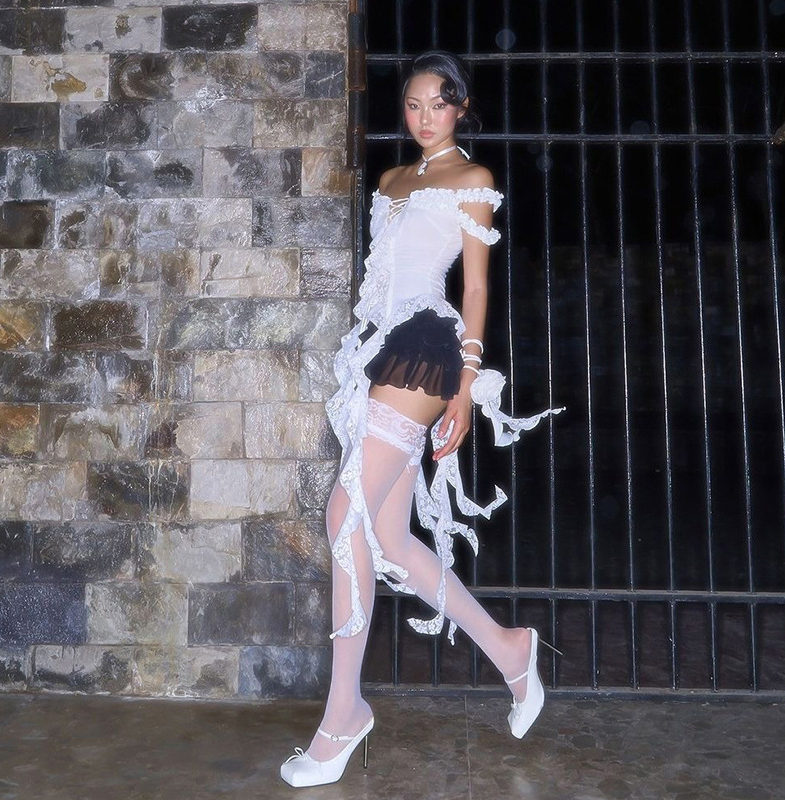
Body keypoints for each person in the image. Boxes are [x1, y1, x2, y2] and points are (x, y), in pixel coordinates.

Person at [280, 51, 564, 788]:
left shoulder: (473, 180)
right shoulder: (391, 181)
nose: (424, 116)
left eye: (439, 103)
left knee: (344, 513)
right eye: (413, 104)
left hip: (430, 345)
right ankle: (509, 649)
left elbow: (475, 288)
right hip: (380, 348)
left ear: (461, 107)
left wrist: (465, 386)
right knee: (389, 538)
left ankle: (344, 712)